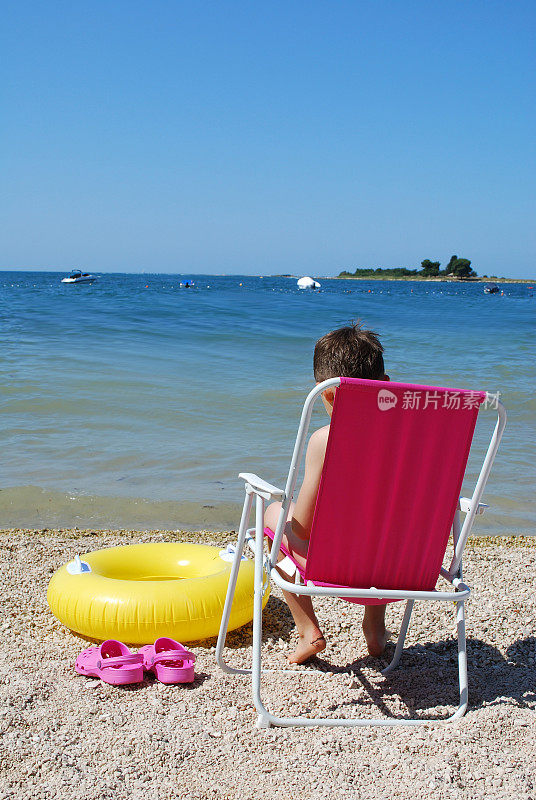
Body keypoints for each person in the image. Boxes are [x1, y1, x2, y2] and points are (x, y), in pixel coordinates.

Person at [264, 322, 390, 664]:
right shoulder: (419, 438)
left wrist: (282, 513)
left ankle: (308, 630)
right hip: (399, 567)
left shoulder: (325, 440)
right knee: (378, 532)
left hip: (338, 569)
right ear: (386, 386)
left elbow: (301, 528)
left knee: (273, 513)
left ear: (327, 393)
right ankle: (376, 631)